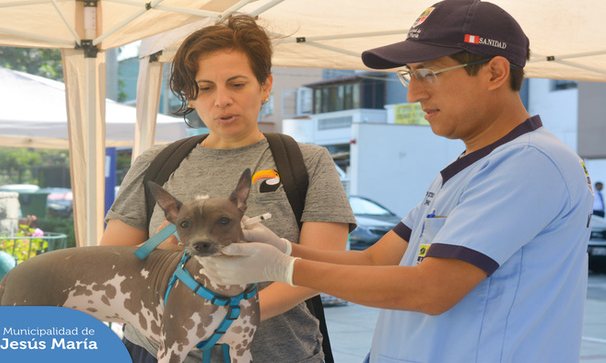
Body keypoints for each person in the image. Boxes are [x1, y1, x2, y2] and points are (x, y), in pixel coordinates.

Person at [198, 1, 595, 362]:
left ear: (494, 72)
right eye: (410, 74)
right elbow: (374, 260)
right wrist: (283, 247)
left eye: (428, 74)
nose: (413, 93)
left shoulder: (530, 162)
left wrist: (284, 268)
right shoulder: (469, 167)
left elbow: (431, 290)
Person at [100, 14, 355, 363]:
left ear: (265, 86)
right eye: (205, 88)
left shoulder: (306, 162)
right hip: (154, 350)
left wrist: (224, 320)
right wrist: (160, 248)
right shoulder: (156, 163)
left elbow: (319, 272)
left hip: (275, 354)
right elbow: (112, 265)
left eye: (237, 84)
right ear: (189, 96)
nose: (221, 100)